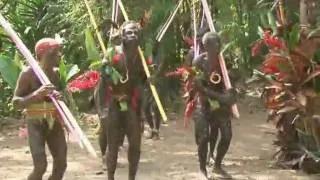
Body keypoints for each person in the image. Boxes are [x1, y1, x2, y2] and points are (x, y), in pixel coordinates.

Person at [98, 21, 147, 180]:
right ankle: (110, 177)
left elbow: (143, 81)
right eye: (128, 33)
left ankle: (131, 177)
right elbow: (102, 83)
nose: (132, 35)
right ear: (122, 35)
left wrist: (149, 80)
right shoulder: (112, 54)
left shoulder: (141, 57)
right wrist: (102, 109)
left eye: (135, 33)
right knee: (113, 146)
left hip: (132, 106)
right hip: (114, 104)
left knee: (135, 145)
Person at [12, 38, 67, 180]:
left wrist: (59, 97)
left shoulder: (56, 73)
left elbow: (61, 97)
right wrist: (37, 94)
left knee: (61, 164)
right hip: (35, 122)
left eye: (59, 52)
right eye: (53, 53)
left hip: (53, 121)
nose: (58, 55)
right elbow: (16, 103)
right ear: (40, 56)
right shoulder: (27, 74)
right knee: (40, 166)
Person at [192, 32, 236, 178]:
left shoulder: (225, 62)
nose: (216, 46)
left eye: (218, 43)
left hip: (220, 105)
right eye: (212, 44)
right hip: (203, 104)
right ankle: (202, 170)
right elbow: (199, 88)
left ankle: (217, 165)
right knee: (203, 137)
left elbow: (233, 88)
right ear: (205, 46)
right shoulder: (199, 62)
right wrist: (220, 97)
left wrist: (229, 95)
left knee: (227, 135)